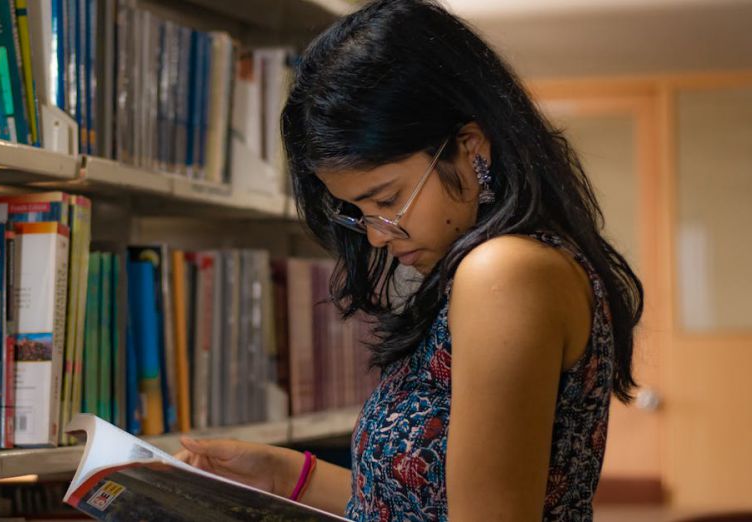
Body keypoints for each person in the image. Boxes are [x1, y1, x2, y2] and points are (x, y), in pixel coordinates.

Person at [175, 0, 644, 519]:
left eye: (386, 199)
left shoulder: (503, 272)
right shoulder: (515, 266)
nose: (377, 235)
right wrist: (283, 475)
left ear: (471, 148)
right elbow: (419, 502)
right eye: (357, 211)